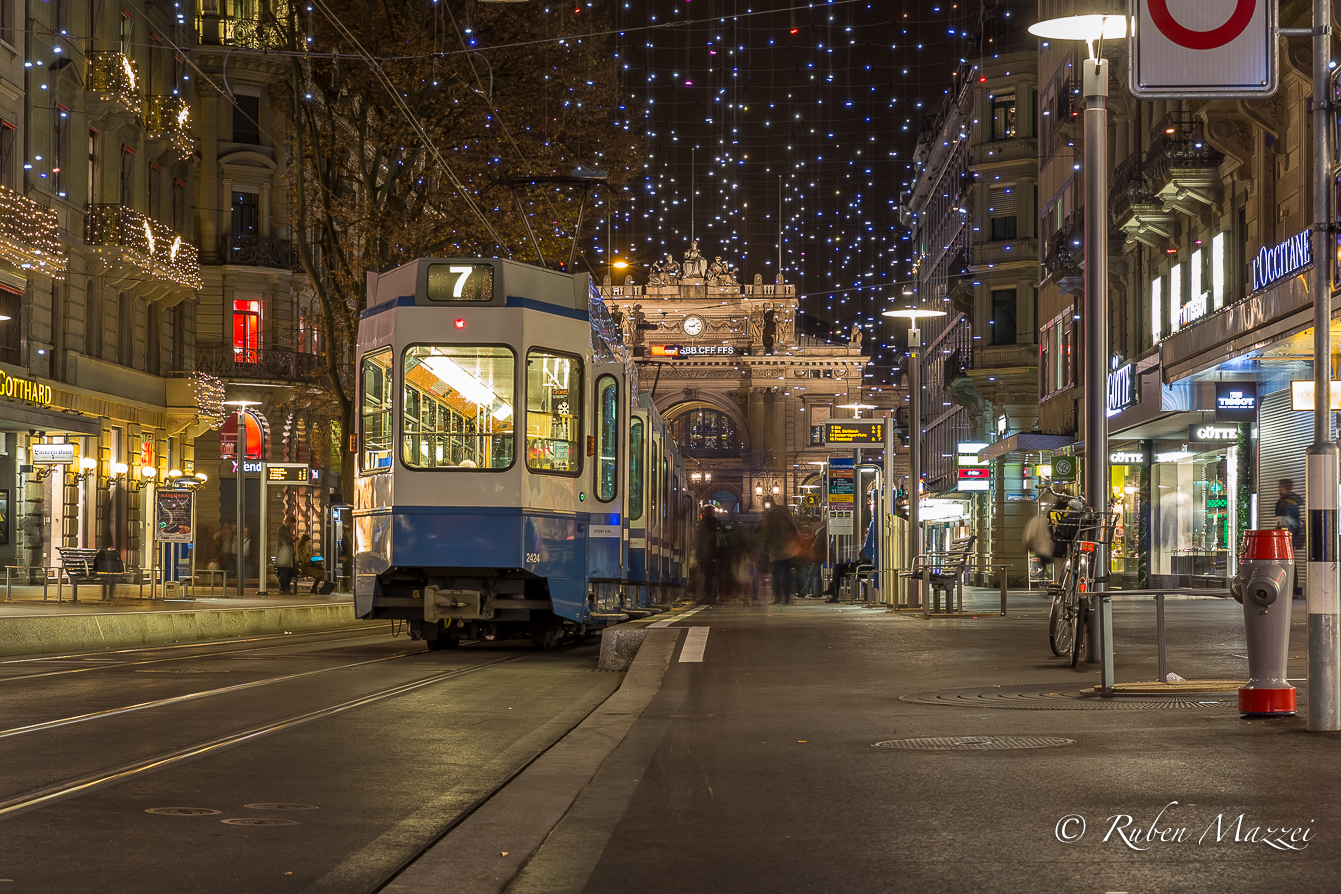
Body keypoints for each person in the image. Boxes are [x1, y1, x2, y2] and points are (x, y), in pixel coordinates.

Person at [760, 503, 801, 604]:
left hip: (776, 552)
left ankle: (778, 597)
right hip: (787, 552)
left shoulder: (772, 523)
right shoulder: (788, 522)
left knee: (776, 575)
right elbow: (796, 534)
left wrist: (765, 549)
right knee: (787, 575)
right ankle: (787, 597)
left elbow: (766, 536)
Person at [693, 506, 728, 605]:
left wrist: (698, 553)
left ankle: (709, 597)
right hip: (713, 554)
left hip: (708, 555)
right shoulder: (718, 524)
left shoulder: (702, 525)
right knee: (712, 577)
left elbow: (698, 541)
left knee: (708, 576)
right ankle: (712, 597)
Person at [1277, 479, 1303, 597]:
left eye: (1280, 487)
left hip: (1286, 537)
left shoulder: (1286, 503)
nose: (1278, 490)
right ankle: (1292, 589)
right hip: (1290, 536)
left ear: (1283, 488)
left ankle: (1291, 589)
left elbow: (1284, 522)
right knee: (1290, 562)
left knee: (1287, 562)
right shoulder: (1294, 502)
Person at [275, 517, 296, 594]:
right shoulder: (282, 530)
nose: (292, 526)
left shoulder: (285, 530)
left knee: (289, 572)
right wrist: (292, 539)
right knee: (285, 572)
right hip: (284, 556)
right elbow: (283, 541)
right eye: (292, 524)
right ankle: (284, 589)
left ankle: (286, 588)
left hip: (287, 556)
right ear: (289, 522)